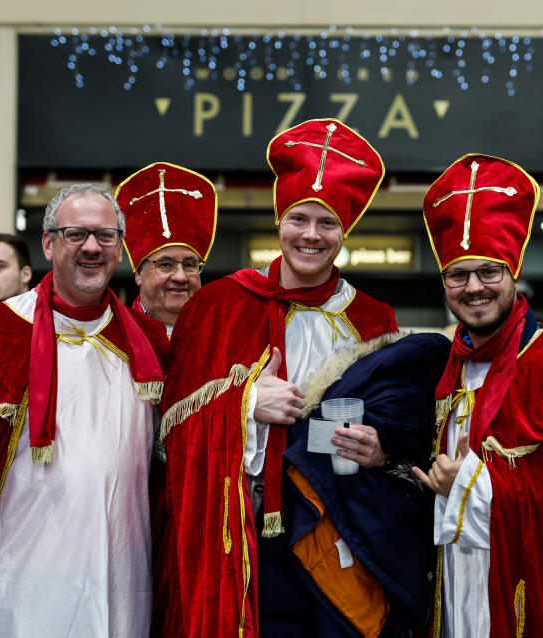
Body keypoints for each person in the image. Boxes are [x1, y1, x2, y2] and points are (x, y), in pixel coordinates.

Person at [156, 119, 412, 637]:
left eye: (327, 223)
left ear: (345, 233)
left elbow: (401, 436)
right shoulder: (218, 304)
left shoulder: (373, 318)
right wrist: (245, 402)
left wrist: (381, 448)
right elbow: (168, 436)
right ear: (280, 221)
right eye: (299, 218)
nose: (311, 235)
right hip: (242, 533)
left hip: (340, 533)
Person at [0, 184, 169, 636]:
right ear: (48, 244)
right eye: (75, 234)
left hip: (123, 583)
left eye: (106, 236)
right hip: (23, 584)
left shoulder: (149, 344)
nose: (92, 247)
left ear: (120, 249)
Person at [412, 154, 543, 637]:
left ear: (512, 274)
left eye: (489, 273)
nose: (473, 288)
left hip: (530, 590)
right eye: (458, 276)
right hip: (458, 577)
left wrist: (467, 486)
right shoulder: (452, 364)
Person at [115, 162, 218, 336]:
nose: (180, 276)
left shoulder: (222, 336)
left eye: (189, 265)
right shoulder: (116, 337)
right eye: (165, 265)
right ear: (139, 273)